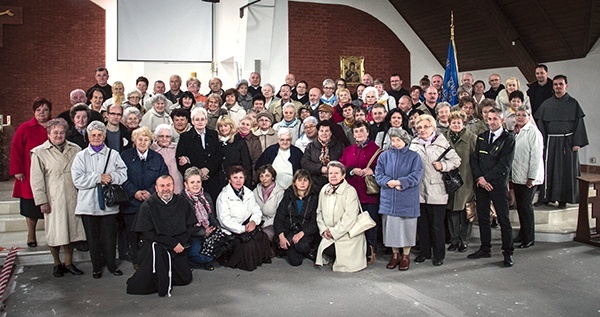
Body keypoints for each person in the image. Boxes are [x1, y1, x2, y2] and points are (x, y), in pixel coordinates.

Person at [30, 118, 86, 277]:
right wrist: (42, 201)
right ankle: (56, 263)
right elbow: (36, 179)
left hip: (72, 196)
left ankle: (69, 262)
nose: (59, 135)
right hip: (53, 198)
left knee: (71, 231)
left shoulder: (75, 149)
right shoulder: (39, 152)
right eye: (55, 132)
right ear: (48, 134)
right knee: (55, 232)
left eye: (62, 132)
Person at [71, 121, 127, 278]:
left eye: (99, 135)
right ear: (89, 137)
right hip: (88, 204)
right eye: (93, 135)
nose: (96, 138)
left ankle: (111, 264)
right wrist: (98, 178)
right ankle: (96, 267)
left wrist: (111, 178)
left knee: (109, 237)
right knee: (93, 238)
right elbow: (77, 179)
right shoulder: (81, 156)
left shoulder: (113, 155)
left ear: (104, 136)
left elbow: (123, 173)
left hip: (109, 204)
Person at [126, 175, 197, 297]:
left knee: (185, 279)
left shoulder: (182, 202)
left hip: (177, 245)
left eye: (169, 185)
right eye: (162, 186)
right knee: (142, 285)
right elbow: (147, 233)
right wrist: (172, 243)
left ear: (174, 186)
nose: (166, 189)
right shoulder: (148, 206)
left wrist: (179, 243)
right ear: (156, 188)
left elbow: (190, 227)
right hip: (155, 246)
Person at [409, 115, 461, 266]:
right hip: (419, 190)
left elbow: (456, 160)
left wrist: (443, 166)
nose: (423, 130)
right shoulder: (414, 144)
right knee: (422, 224)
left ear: (433, 127)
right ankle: (424, 252)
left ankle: (439, 254)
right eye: (419, 128)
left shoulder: (442, 143)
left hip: (437, 189)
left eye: (426, 127)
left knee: (437, 225)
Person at [468, 107, 516, 267]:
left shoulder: (508, 139)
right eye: (489, 119)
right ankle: (485, 248)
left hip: (498, 184)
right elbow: (475, 160)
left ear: (501, 120)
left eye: (495, 119)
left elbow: (505, 165)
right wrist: (480, 178)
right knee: (482, 218)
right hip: (481, 184)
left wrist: (487, 179)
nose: (492, 122)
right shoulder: (481, 137)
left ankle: (508, 253)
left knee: (503, 220)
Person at [535, 75, 588, 208]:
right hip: (551, 141)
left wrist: (577, 142)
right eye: (556, 84)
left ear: (566, 86)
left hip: (568, 142)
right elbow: (541, 124)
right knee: (548, 169)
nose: (558, 87)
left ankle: (563, 199)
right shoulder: (547, 104)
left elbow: (579, 124)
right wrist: (542, 141)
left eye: (561, 84)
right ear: (553, 87)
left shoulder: (573, 103)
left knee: (566, 170)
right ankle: (546, 197)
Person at [375, 128, 423, 271]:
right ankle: (395, 255)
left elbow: (416, 175)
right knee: (391, 229)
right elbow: (378, 174)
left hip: (407, 199)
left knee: (407, 228)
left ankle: (406, 256)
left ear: (405, 141)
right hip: (389, 198)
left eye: (398, 140)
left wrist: (399, 182)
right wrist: (387, 181)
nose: (395, 143)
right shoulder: (384, 156)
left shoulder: (414, 156)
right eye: (393, 140)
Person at [121, 126, 168, 268]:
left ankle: (150, 259)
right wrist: (134, 192)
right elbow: (122, 177)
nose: (142, 142)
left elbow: (163, 177)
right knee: (133, 233)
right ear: (134, 141)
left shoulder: (157, 157)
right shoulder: (125, 156)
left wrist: (150, 192)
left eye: (146, 139)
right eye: (140, 139)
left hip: (151, 202)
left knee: (150, 233)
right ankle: (136, 261)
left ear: (150, 141)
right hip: (131, 203)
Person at [10, 97, 53, 248]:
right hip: (29, 173)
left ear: (50, 111)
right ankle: (31, 234)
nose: (42, 113)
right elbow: (16, 150)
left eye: (45, 110)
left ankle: (52, 235)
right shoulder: (25, 127)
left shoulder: (55, 126)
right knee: (30, 205)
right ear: (34, 112)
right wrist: (17, 170)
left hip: (51, 172)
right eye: (38, 110)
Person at [339, 121, 381, 265]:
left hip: (369, 194)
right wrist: (351, 170)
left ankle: (371, 251)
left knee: (369, 224)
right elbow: (341, 166)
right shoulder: (348, 150)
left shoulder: (376, 150)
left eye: (362, 131)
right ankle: (354, 251)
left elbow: (383, 168)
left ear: (367, 132)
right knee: (352, 223)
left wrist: (373, 171)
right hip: (351, 194)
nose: (359, 134)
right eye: (356, 132)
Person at [217, 166, 272, 271]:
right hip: (232, 230)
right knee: (248, 245)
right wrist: (242, 229)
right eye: (235, 177)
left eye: (241, 177)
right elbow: (224, 220)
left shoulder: (249, 193)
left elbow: (256, 210)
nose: (238, 180)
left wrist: (253, 222)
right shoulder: (223, 196)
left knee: (262, 237)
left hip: (248, 225)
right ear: (229, 179)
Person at [315, 161, 367, 272]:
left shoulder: (350, 191)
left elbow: (350, 218)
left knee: (339, 253)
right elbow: (319, 212)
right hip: (328, 232)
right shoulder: (324, 189)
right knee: (327, 249)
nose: (333, 176)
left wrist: (334, 232)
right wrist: (324, 230)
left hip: (346, 234)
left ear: (343, 175)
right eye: (330, 173)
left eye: (336, 173)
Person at [442, 111, 477, 253]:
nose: (456, 125)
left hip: (466, 180)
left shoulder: (472, 138)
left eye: (458, 122)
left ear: (463, 123)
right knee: (451, 211)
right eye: (453, 122)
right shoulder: (443, 137)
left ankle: (464, 240)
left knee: (465, 211)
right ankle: (454, 239)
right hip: (448, 180)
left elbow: (475, 160)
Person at [182, 167, 227, 271]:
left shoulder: (206, 196)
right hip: (193, 235)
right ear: (186, 184)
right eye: (192, 182)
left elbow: (212, 217)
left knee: (225, 244)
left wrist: (215, 230)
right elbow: (185, 226)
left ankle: (207, 259)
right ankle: (205, 260)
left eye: (198, 181)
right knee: (196, 254)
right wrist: (203, 232)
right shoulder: (182, 199)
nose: (196, 185)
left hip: (208, 231)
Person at [512, 106, 544, 249]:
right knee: (521, 208)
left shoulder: (533, 132)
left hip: (529, 178)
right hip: (518, 176)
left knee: (526, 208)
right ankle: (522, 234)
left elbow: (536, 157)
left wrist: (531, 177)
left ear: (529, 116)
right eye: (517, 115)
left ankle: (529, 237)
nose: (519, 117)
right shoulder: (517, 131)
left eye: (523, 115)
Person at [176, 107, 224, 201]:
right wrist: (197, 173)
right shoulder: (185, 137)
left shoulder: (213, 134)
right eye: (197, 119)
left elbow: (218, 155)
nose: (200, 122)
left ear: (206, 120)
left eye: (202, 119)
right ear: (192, 121)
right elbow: (181, 160)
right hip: (193, 181)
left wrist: (207, 169)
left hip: (212, 177)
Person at [274, 169, 319, 266]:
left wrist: (301, 234)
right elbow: (279, 218)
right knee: (296, 262)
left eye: (305, 180)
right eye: (299, 180)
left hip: (305, 232)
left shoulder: (314, 197)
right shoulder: (288, 195)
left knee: (301, 246)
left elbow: (314, 222)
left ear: (309, 182)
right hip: (289, 231)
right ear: (294, 182)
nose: (302, 183)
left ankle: (299, 248)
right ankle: (290, 246)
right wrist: (281, 237)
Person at [301, 121, 345, 191]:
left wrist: (332, 169)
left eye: (327, 131)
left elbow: (343, 162)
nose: (324, 133)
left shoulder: (339, 146)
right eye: (321, 131)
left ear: (331, 133)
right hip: (314, 184)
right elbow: (305, 163)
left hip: (335, 182)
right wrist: (321, 168)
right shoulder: (311, 146)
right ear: (318, 132)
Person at [253, 165, 285, 250]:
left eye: (267, 175)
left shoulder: (280, 192)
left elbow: (280, 215)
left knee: (263, 236)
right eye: (261, 176)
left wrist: (265, 225)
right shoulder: (255, 191)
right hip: (258, 222)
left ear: (273, 177)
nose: (264, 179)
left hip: (273, 223)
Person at [216, 115, 252, 188]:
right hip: (219, 181)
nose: (223, 128)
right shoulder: (216, 142)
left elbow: (246, 163)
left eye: (225, 126)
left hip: (236, 180)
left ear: (231, 126)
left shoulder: (239, 141)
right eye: (221, 126)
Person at [151, 124, 184, 193]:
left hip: (178, 186)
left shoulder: (177, 147)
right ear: (156, 137)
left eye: (167, 136)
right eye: (161, 136)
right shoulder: (152, 150)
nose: (164, 139)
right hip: (161, 188)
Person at [237, 115, 263, 185]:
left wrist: (253, 179)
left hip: (248, 175)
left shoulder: (255, 140)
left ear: (251, 127)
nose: (244, 126)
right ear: (239, 124)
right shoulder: (233, 138)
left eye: (247, 125)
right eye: (243, 124)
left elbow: (256, 161)